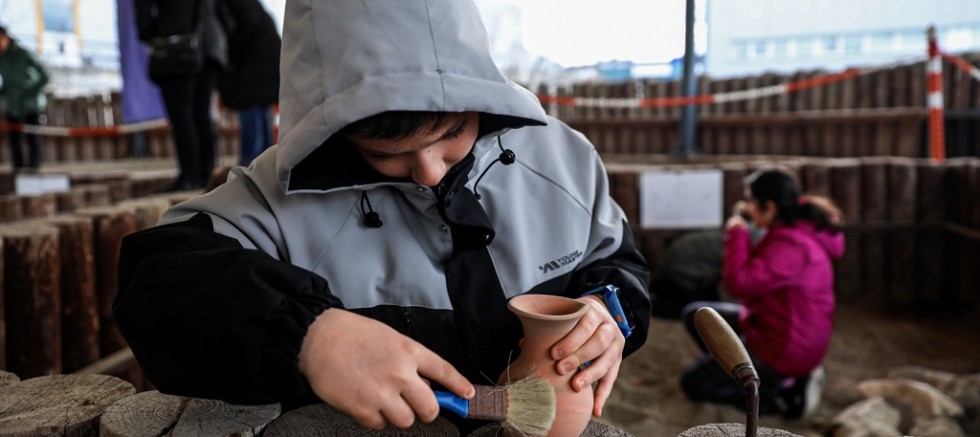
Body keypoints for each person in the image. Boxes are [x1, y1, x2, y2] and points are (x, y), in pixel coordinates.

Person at [113, 0, 652, 433]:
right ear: (333, 130)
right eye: (385, 153)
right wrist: (307, 333)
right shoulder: (276, 198)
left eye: (452, 133)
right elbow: (156, 282)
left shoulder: (564, 159)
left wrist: (608, 312)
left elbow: (618, 264)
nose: (430, 172)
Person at [678, 167, 844, 421]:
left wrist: (736, 233)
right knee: (698, 315)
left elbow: (739, 284)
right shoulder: (798, 229)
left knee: (692, 384)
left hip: (784, 350)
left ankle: (777, 394)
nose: (748, 207)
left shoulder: (792, 246)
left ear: (770, 207)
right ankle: (750, 374)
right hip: (774, 326)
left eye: (752, 201)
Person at [135, 0, 228, 190]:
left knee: (182, 115)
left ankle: (190, 176)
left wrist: (156, 32)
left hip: (178, 46)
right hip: (209, 45)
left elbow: (143, 16)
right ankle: (207, 174)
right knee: (200, 113)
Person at [216, 0, 280, 166]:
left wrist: (230, 49)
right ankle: (266, 166)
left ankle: (249, 167)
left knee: (251, 111)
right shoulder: (255, 7)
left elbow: (247, 22)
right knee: (261, 114)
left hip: (254, 67)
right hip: (265, 65)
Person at [0, 25, 50, 171]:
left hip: (30, 104)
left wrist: (32, 92)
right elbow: (6, 82)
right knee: (14, 139)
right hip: (12, 105)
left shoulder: (24, 54)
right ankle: (18, 170)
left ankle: (34, 169)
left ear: (6, 38)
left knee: (32, 137)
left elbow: (45, 75)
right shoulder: (1, 58)